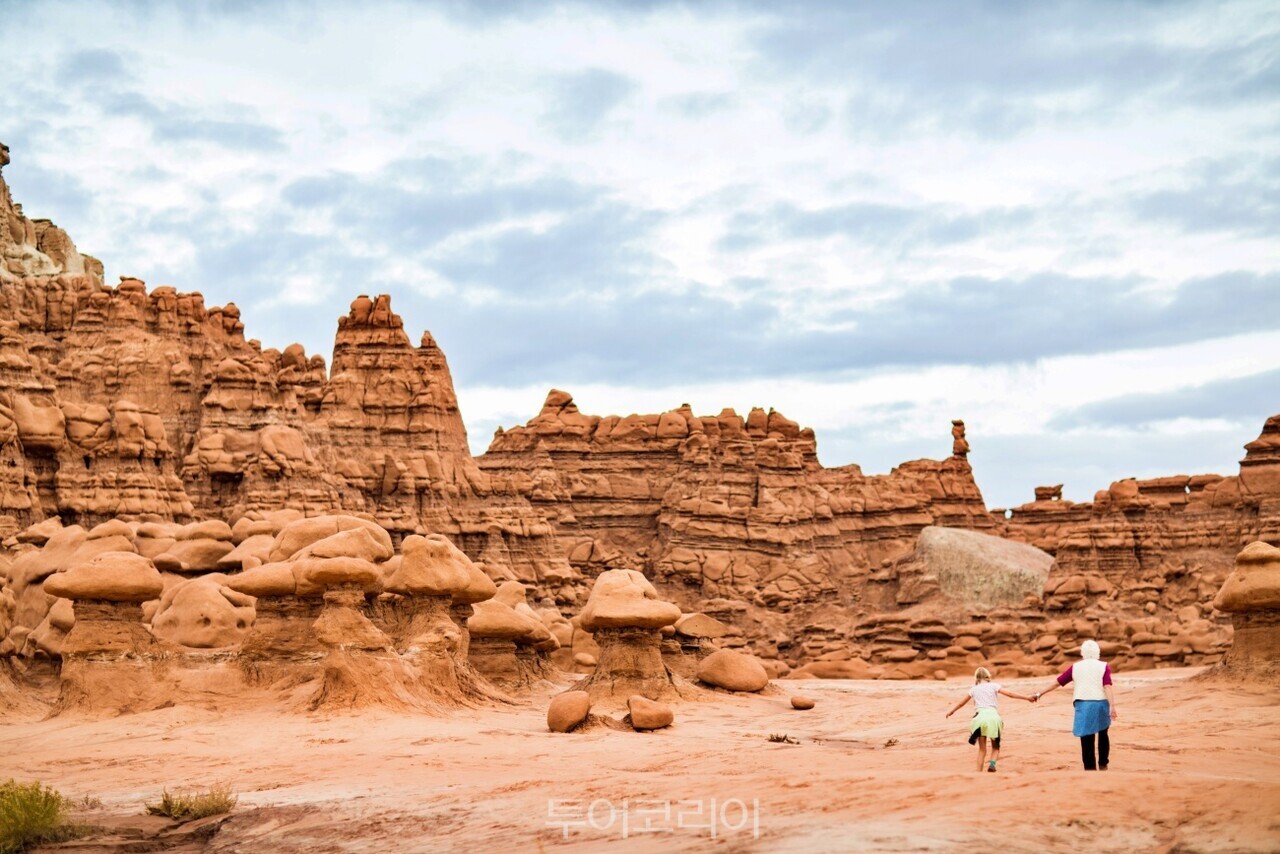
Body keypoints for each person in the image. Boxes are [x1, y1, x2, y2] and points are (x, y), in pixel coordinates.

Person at [1032, 639, 1117, 770]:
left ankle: (1089, 768)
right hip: (1100, 703)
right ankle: (1103, 764)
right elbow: (1107, 686)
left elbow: (1057, 682)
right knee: (1103, 733)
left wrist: (1039, 694)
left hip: (1083, 704)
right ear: (1097, 652)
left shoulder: (1076, 667)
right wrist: (1112, 706)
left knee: (1086, 736)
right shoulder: (1104, 666)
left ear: (1082, 652)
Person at [945, 666, 1035, 772]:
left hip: (979, 719)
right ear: (987, 676)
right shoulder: (993, 686)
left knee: (982, 750)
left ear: (977, 678)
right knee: (995, 747)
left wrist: (952, 711)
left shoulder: (973, 689)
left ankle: (978, 773)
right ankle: (992, 764)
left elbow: (961, 703)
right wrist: (1027, 697)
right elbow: (1010, 694)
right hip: (993, 718)